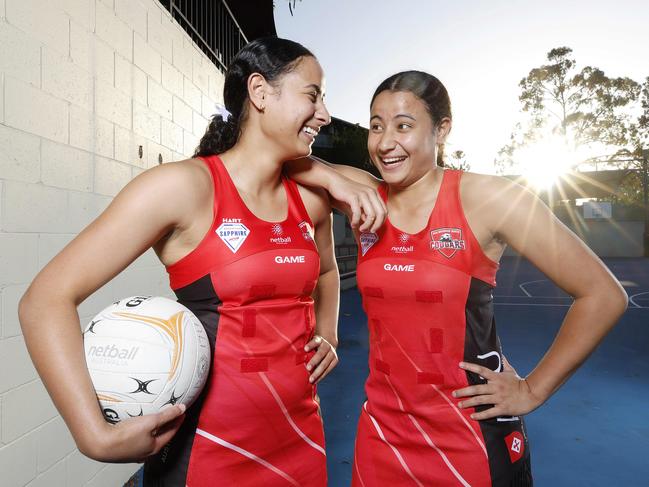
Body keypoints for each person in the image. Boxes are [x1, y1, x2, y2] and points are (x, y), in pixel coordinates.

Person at [18, 37, 386, 487]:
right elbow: (45, 299)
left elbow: (330, 266)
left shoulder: (310, 198)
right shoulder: (183, 188)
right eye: (313, 95)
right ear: (260, 91)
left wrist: (327, 332)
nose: (325, 114)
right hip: (208, 455)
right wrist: (92, 435)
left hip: (301, 443)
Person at [288, 70, 628, 486]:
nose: (385, 142)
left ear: (442, 129)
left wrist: (531, 390)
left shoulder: (490, 198)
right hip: (382, 436)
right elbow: (283, 160)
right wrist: (329, 176)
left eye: (404, 126)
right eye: (375, 126)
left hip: (469, 437)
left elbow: (603, 294)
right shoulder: (365, 198)